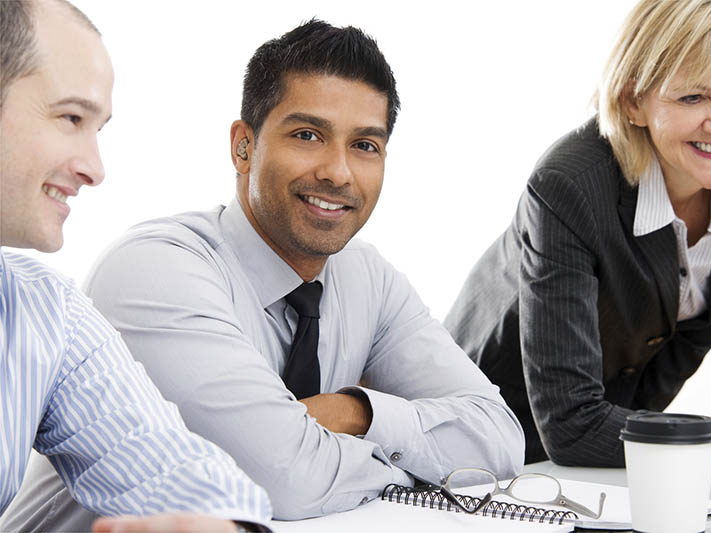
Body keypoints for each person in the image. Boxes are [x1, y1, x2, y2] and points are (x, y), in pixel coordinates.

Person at [3, 19, 525, 529]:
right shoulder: (155, 270)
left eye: (365, 145)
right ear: (243, 147)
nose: (338, 172)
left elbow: (500, 439)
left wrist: (358, 414)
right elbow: (284, 482)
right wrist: (425, 467)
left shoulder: (370, 277)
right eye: (307, 135)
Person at [445, 0, 711, 470]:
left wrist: (627, 433)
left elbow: (692, 334)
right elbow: (570, 427)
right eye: (693, 97)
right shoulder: (568, 185)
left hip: (595, 430)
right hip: (481, 423)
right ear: (634, 101)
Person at [0, 1, 273, 531]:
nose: (94, 169)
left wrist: (226, 527)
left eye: (97, 128)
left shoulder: (46, 314)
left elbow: (166, 463)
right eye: (71, 118)